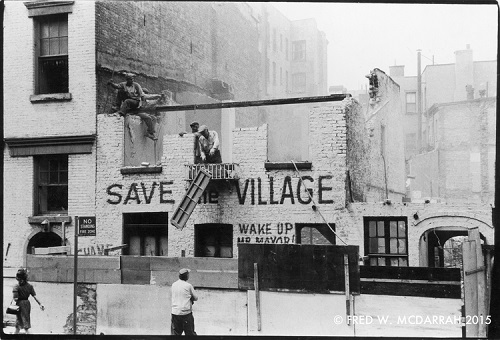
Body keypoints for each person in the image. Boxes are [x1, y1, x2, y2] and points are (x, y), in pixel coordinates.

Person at [107, 74, 157, 140]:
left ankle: (150, 132)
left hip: (136, 106)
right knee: (122, 93)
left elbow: (145, 97)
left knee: (152, 118)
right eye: (130, 79)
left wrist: (157, 97)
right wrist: (112, 83)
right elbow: (117, 86)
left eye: (132, 79)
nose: (132, 80)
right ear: (127, 80)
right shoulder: (123, 85)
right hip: (131, 107)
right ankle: (119, 110)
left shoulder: (136, 86)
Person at [13, 269, 44, 334]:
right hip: (27, 304)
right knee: (19, 324)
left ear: (18, 278)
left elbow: (15, 299)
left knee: (23, 325)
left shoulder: (16, 286)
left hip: (20, 305)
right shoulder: (30, 286)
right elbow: (35, 296)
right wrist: (40, 304)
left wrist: (16, 293)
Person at [171, 268, 198, 335]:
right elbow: (196, 298)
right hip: (186, 314)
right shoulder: (188, 285)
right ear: (186, 276)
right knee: (190, 334)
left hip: (175, 312)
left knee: (175, 334)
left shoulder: (174, 284)